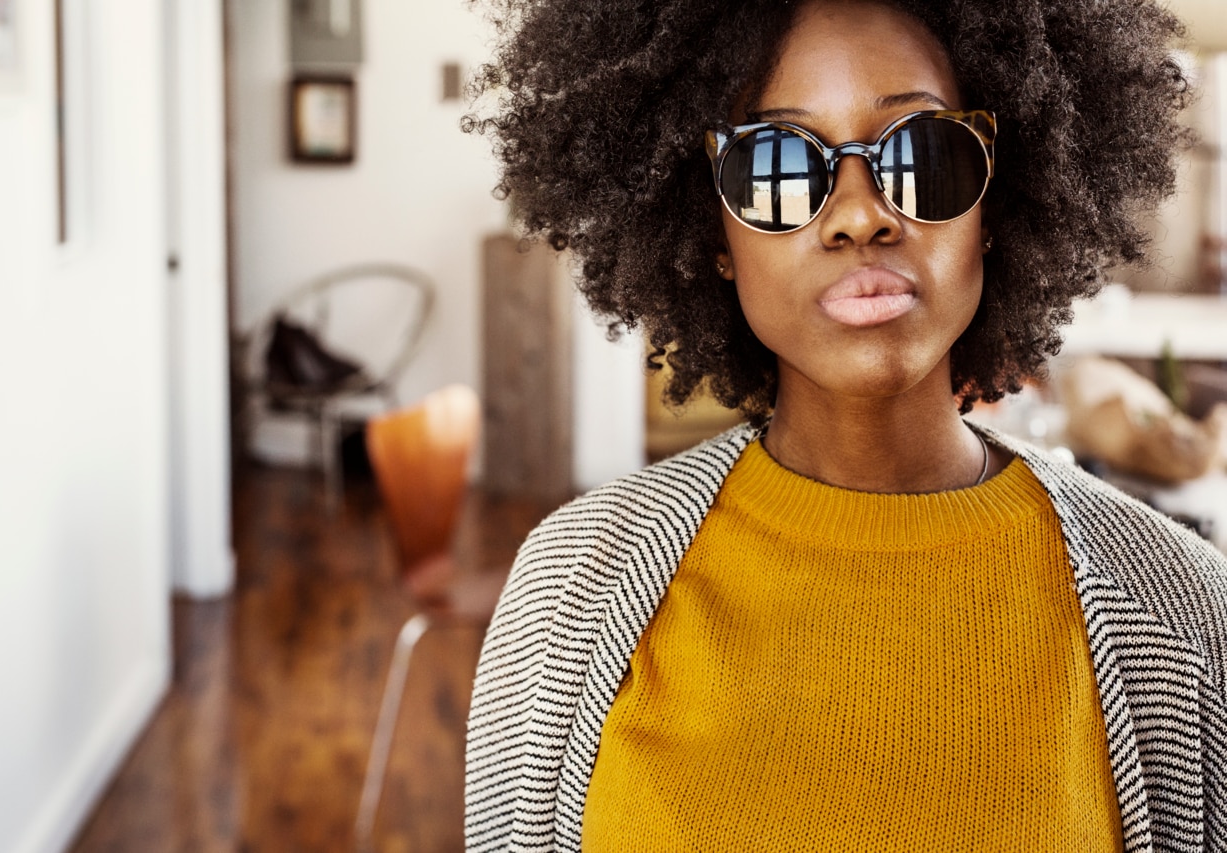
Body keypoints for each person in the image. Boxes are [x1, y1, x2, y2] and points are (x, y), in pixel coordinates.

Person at [462, 0, 1227, 850]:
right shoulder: (573, 591)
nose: (861, 215)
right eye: (779, 163)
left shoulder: (1181, 615)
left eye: (924, 153)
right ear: (715, 233)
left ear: (995, 205)